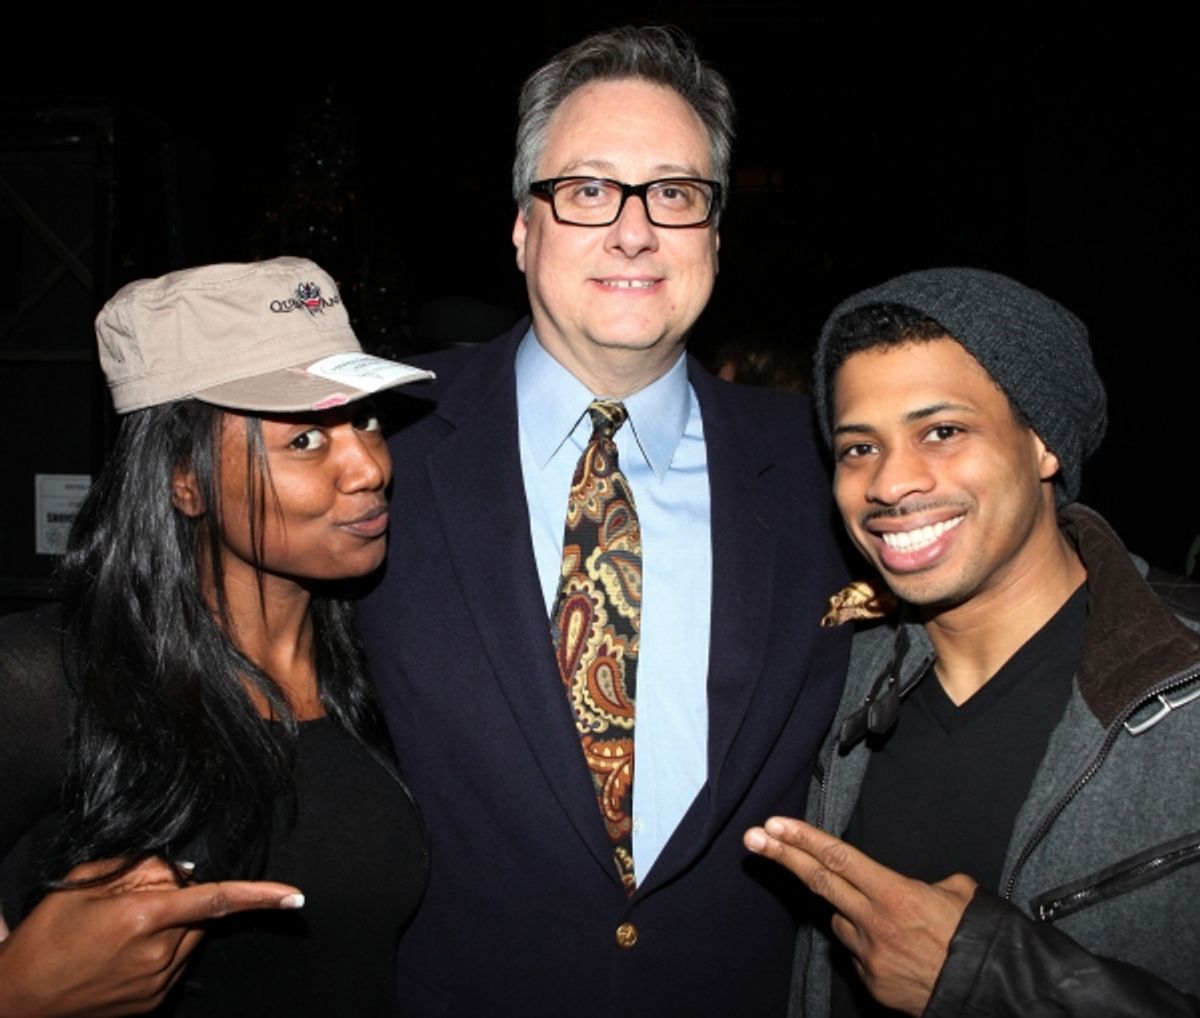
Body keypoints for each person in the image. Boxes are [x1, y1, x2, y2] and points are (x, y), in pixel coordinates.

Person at [358, 24, 851, 1018]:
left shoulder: (825, 463)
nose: (634, 231)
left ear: (714, 232)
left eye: (673, 193)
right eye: (586, 191)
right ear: (520, 227)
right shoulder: (379, 445)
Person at [743, 267, 1200, 1015]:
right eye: (859, 448)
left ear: (1044, 445)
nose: (890, 482)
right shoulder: (831, 685)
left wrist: (989, 981)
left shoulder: (1180, 688)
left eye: (943, 432)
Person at [0, 257, 433, 1016]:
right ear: (183, 479)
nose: (367, 465)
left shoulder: (386, 659)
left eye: (365, 417)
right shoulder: (48, 678)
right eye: (304, 441)